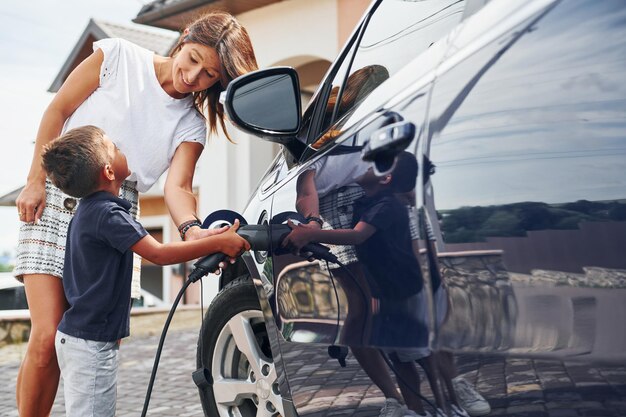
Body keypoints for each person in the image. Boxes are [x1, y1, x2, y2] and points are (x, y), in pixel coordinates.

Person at [13, 11, 258, 416]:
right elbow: (57, 111)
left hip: (116, 210)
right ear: (184, 38)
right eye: (193, 59)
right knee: (47, 337)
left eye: (209, 75)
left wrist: (192, 229)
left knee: (96, 338)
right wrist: (35, 179)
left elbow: (178, 187)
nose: (193, 77)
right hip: (59, 194)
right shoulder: (117, 56)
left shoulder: (191, 124)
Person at [41, 125, 250, 416]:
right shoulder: (109, 215)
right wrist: (221, 241)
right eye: (113, 147)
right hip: (89, 344)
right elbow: (159, 253)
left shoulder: (89, 211)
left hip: (83, 338)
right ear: (109, 172)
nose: (120, 147)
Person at [286, 152, 436, 417]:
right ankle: (398, 399)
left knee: (403, 305)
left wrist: (406, 190)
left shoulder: (368, 135)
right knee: (361, 312)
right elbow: (306, 190)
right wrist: (313, 223)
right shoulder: (314, 144)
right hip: (333, 212)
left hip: (375, 200)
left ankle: (443, 394)